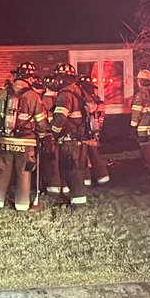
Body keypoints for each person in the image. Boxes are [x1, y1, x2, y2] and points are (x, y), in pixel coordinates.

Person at [0, 63, 47, 211]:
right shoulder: (33, 96)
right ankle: (22, 205)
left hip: (5, 140)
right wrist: (41, 135)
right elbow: (41, 121)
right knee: (24, 172)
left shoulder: (1, 94)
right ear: (30, 78)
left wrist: (2, 130)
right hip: (26, 142)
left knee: (3, 170)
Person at [50, 63, 89, 207]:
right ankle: (73, 199)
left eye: (59, 77)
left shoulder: (65, 95)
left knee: (71, 171)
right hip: (80, 138)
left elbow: (59, 118)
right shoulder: (79, 91)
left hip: (69, 140)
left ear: (64, 78)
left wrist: (53, 132)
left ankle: (78, 203)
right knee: (76, 169)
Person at [78, 73, 111, 186]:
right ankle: (102, 178)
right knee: (94, 155)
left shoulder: (86, 100)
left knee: (84, 156)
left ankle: (86, 180)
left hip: (86, 132)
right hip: (94, 133)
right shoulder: (98, 101)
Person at [131, 68, 150, 171]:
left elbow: (136, 112)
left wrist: (133, 126)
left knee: (145, 146)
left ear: (140, 81)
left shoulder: (140, 96)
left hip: (143, 127)